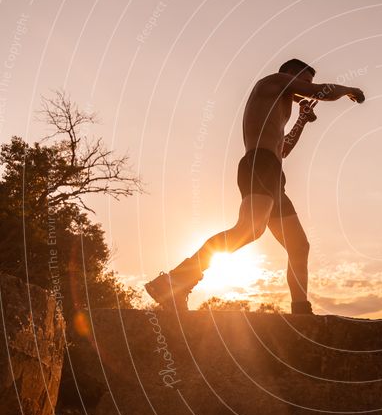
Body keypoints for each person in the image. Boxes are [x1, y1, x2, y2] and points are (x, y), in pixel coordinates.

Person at [145, 58, 365, 314]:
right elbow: (321, 92)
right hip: (259, 164)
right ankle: (172, 281)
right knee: (249, 229)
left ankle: (301, 310)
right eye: (304, 81)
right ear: (291, 74)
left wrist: (302, 120)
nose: (306, 89)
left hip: (273, 170)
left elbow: (283, 150)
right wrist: (350, 90)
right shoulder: (273, 82)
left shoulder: (280, 104)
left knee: (298, 245)